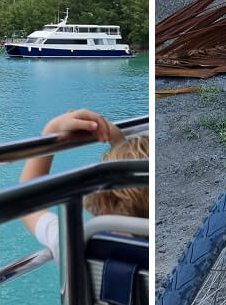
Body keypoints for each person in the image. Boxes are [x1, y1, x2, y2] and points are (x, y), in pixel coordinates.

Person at [20, 109, 149, 258]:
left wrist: (52, 129)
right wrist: (121, 145)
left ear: (104, 199)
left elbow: (26, 204)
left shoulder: (78, 243)